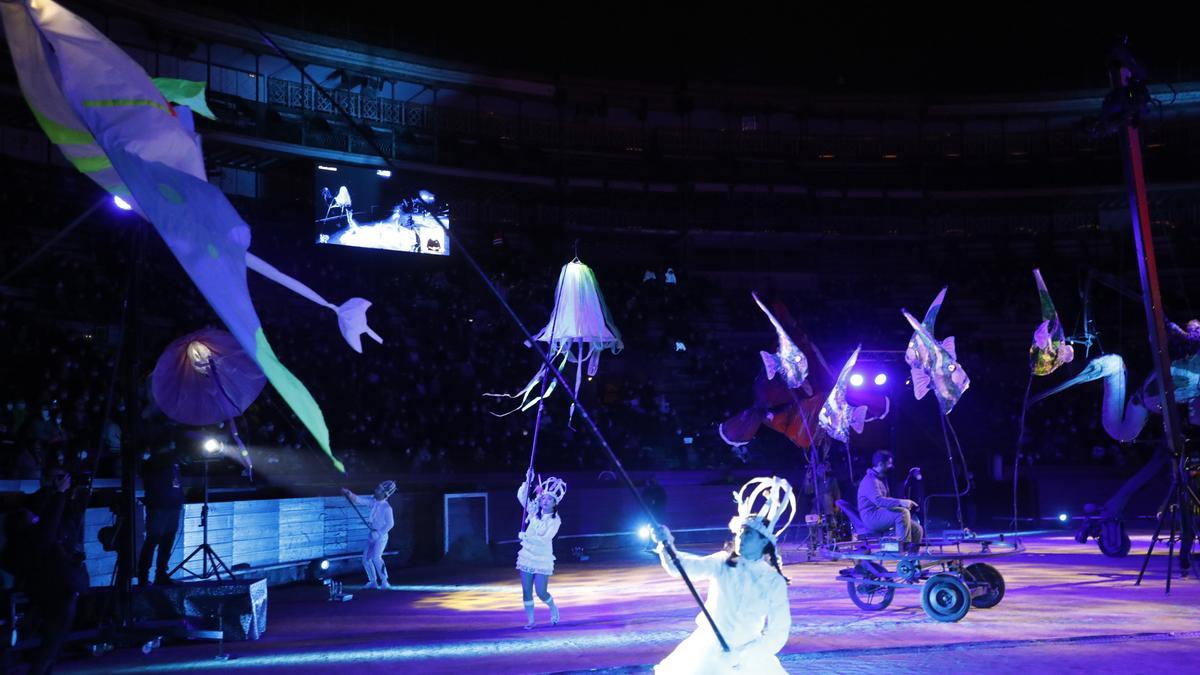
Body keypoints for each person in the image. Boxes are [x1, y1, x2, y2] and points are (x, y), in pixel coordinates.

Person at [651, 476, 793, 674]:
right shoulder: (723, 562)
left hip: (749, 658)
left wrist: (745, 657)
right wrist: (667, 544)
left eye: (748, 534)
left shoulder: (773, 581)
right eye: (740, 532)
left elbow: (778, 631)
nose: (740, 538)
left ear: (763, 542)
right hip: (708, 653)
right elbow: (683, 567)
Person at [516, 470, 565, 629]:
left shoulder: (555, 520)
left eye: (549, 499)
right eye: (543, 497)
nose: (544, 501)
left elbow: (544, 538)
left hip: (542, 557)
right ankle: (531, 620)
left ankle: (553, 608)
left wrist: (526, 537)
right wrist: (528, 480)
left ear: (554, 503)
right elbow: (522, 497)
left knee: (541, 592)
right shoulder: (534, 509)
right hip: (527, 555)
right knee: (526, 591)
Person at [138, 441, 185, 586]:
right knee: (153, 541)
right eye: (169, 444)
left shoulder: (172, 461)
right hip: (159, 506)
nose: (172, 445)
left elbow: (176, 481)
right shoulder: (155, 461)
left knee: (167, 541)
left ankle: (160, 575)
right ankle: (144, 577)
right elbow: (151, 479)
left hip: (171, 505)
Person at [857, 450, 923, 550]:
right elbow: (879, 501)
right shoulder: (870, 480)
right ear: (880, 464)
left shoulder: (880, 479)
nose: (891, 466)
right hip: (871, 517)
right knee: (902, 513)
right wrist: (901, 502)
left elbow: (886, 500)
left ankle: (912, 559)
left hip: (880, 513)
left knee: (917, 529)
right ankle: (903, 549)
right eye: (889, 463)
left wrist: (901, 502)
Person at [342, 480, 396, 589]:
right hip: (372, 534)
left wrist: (379, 533)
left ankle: (385, 581)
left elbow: (390, 524)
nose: (376, 490)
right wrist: (349, 494)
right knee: (366, 559)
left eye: (379, 489)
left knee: (376, 558)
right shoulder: (373, 501)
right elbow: (360, 500)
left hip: (381, 537)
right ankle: (373, 581)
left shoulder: (387, 508)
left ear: (384, 493)